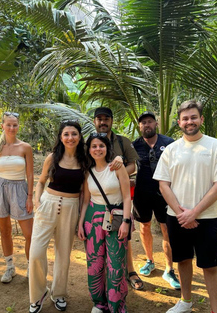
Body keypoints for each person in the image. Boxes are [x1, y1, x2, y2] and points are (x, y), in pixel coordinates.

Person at [153, 100, 217, 313]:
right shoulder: (171, 150)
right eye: (185, 118)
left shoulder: (215, 146)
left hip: (207, 218)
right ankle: (186, 302)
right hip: (176, 217)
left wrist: (194, 213)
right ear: (179, 122)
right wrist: (182, 214)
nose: (189, 122)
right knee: (183, 260)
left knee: (209, 265)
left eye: (193, 117)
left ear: (201, 119)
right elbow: (163, 184)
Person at [28, 120, 87, 313]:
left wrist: (81, 217)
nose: (70, 138)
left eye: (74, 134)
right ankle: (37, 295)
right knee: (36, 253)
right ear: (61, 137)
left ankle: (59, 293)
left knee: (64, 255)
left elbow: (85, 194)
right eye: (66, 134)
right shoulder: (52, 157)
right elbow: (41, 181)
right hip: (47, 204)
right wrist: (38, 201)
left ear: (79, 137)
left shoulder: (85, 160)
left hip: (71, 207)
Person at [77, 133, 132, 313]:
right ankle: (99, 303)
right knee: (94, 263)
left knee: (116, 264)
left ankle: (117, 305)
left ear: (107, 148)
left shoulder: (117, 167)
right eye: (94, 146)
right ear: (89, 149)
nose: (97, 149)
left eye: (101, 145)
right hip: (92, 217)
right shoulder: (88, 170)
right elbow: (85, 199)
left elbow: (126, 196)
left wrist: (126, 221)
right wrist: (80, 224)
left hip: (115, 217)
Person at [93, 107, 143, 290]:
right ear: (94, 121)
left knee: (123, 235)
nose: (103, 122)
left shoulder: (122, 142)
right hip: (96, 198)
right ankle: (105, 275)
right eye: (99, 119)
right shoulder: (89, 143)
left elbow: (133, 166)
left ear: (112, 121)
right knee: (98, 238)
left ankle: (130, 271)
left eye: (106, 118)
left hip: (119, 196)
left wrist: (118, 174)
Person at [132, 111, 180, 289]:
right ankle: (150, 260)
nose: (147, 125)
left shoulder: (169, 143)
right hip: (141, 194)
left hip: (164, 194)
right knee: (144, 227)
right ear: (140, 126)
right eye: (143, 122)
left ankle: (169, 269)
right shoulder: (134, 145)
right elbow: (130, 167)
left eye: (150, 121)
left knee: (166, 228)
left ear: (156, 123)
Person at [0, 112, 34, 284]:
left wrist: (30, 197)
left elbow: (29, 174)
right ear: (3, 126)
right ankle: (9, 267)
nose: (12, 128)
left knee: (29, 233)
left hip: (20, 189)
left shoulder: (25, 147)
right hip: (0, 189)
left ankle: (31, 267)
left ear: (18, 126)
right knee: (5, 231)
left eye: (15, 125)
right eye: (9, 125)